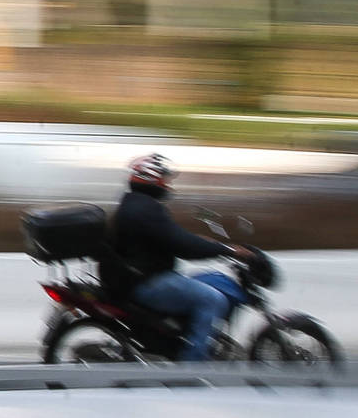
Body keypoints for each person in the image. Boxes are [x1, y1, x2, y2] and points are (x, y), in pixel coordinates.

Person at [105, 153, 251, 362]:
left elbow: (172, 237)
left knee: (210, 280)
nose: (168, 184)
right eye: (165, 178)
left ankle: (184, 339)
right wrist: (226, 249)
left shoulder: (137, 205)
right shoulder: (145, 209)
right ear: (152, 178)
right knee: (211, 298)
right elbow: (182, 245)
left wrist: (206, 244)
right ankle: (193, 363)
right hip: (144, 283)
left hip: (137, 277)